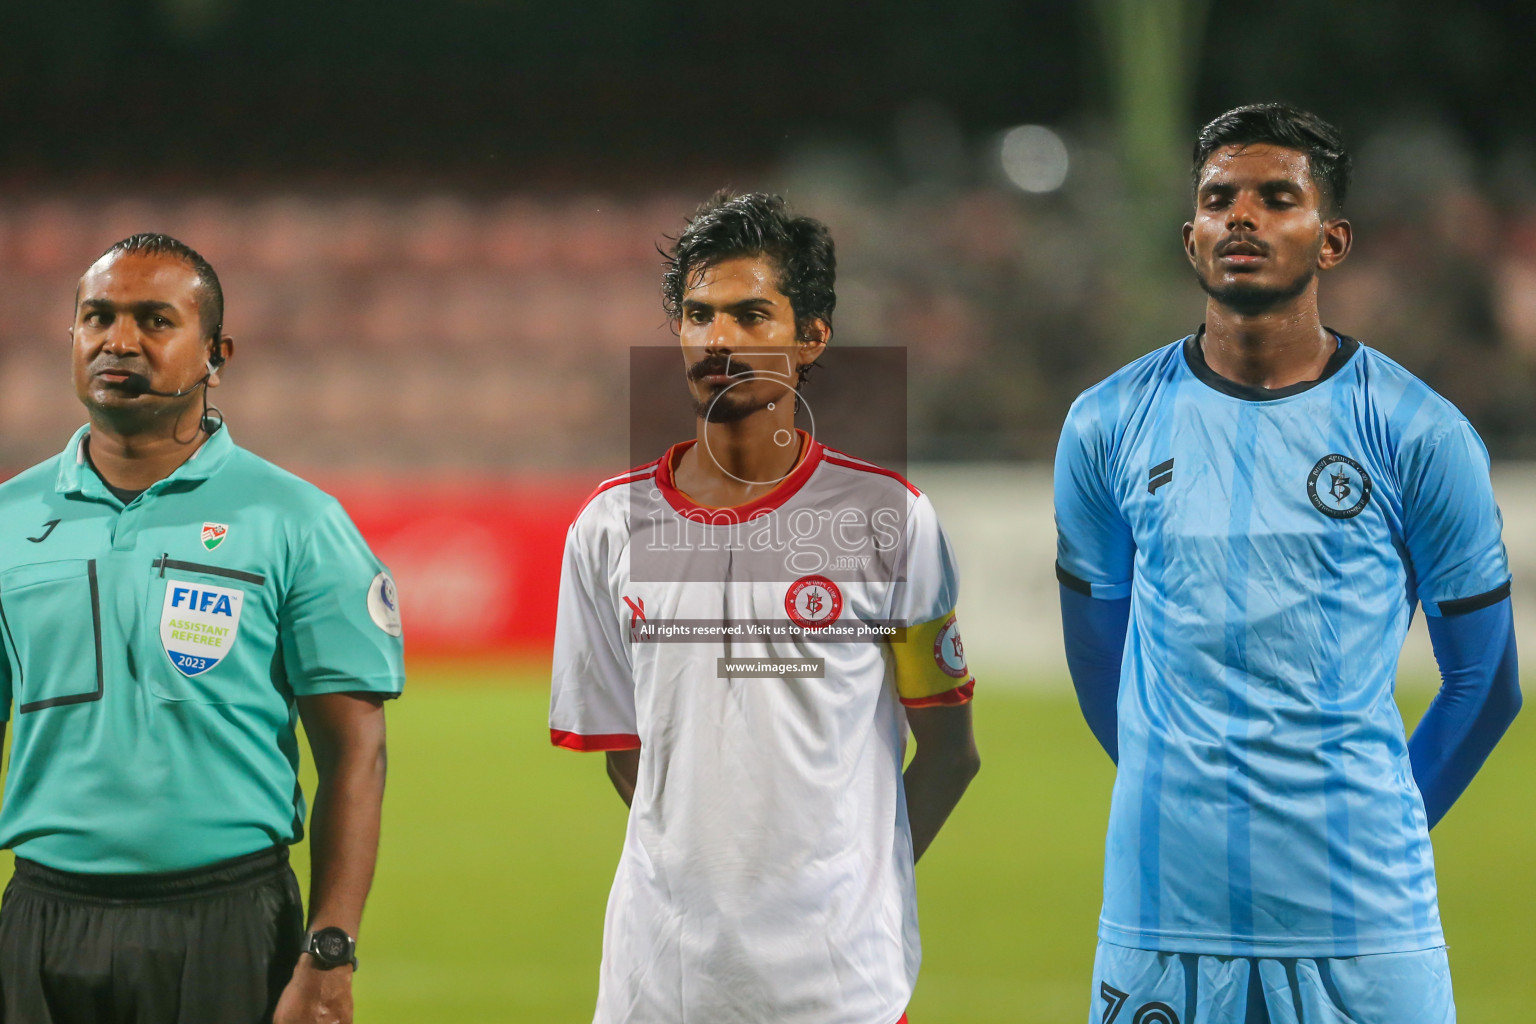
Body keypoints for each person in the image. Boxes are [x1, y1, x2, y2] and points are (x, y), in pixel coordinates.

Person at [1054, 103, 1521, 1024]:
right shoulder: (1105, 425)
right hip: (1162, 918)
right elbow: (1097, 659)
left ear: (1333, 239)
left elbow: (1486, 682)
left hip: (1365, 925)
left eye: (1277, 198)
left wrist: (1368, 832)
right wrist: (1192, 813)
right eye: (1219, 198)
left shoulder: (1420, 433)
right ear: (1189, 234)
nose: (1242, 217)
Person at [550, 191, 981, 1024]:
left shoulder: (889, 519)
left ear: (811, 336)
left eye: (752, 315)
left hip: (838, 986)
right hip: (658, 981)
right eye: (699, 315)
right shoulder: (607, 529)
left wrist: (857, 883)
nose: (719, 340)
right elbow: (625, 755)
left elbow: (951, 753)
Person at [0, 233, 405, 1023]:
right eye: (97, 317)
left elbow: (357, 753)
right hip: (40, 919)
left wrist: (330, 951)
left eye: (155, 320)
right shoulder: (7, 519)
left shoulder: (298, 521)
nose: (119, 341)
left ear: (216, 352)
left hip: (228, 921)